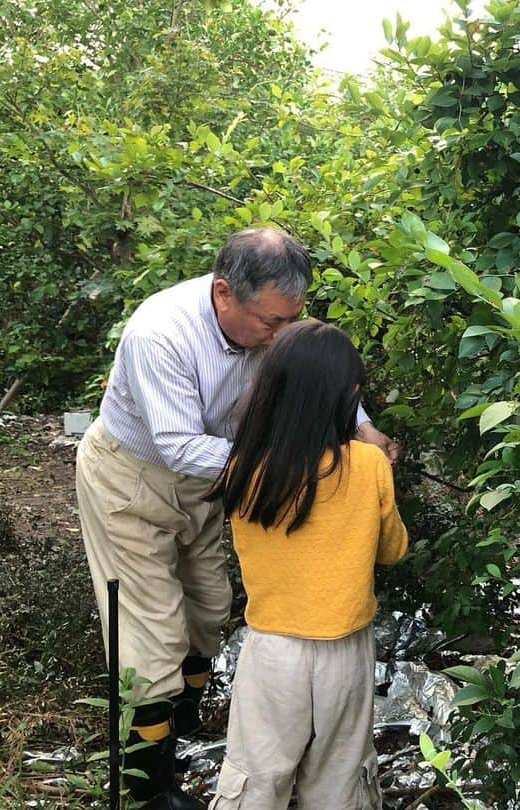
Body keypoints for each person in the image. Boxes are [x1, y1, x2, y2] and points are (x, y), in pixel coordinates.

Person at [75, 228, 399, 810]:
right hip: (133, 479)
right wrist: (298, 465)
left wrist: (359, 424)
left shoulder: (268, 312)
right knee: (150, 635)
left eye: (288, 322)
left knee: (207, 610)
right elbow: (177, 445)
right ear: (224, 293)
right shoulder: (161, 333)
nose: (279, 336)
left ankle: (180, 725)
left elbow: (307, 376)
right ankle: (147, 789)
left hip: (221, 477)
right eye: (272, 325)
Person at [206, 319, 407, 809]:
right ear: (345, 394)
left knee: (256, 782)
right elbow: (393, 550)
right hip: (346, 652)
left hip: (273, 653)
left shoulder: (245, 468)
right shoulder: (368, 465)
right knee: (340, 783)